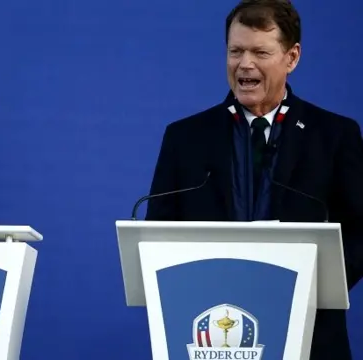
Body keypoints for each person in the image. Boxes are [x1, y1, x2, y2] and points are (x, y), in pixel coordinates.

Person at [145, 1, 363, 359]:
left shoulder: (334, 136)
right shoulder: (185, 137)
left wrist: (315, 286)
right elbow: (158, 233)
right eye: (236, 51)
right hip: (211, 329)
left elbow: (359, 230)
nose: (245, 64)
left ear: (292, 58)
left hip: (310, 334)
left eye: (260, 52)